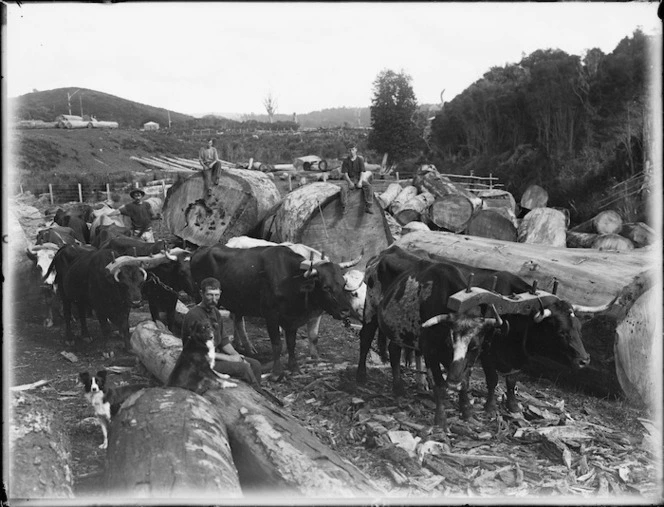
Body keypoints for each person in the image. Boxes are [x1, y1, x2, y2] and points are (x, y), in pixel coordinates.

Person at [181, 277, 263, 387]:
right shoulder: (194, 316)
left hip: (214, 357)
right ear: (202, 293)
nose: (213, 299)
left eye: (216, 295)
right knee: (244, 368)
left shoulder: (215, 312)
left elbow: (224, 341)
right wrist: (229, 358)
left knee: (255, 365)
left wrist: (236, 356)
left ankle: (254, 392)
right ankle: (255, 395)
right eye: (209, 295)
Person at [340, 143, 374, 214]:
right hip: (350, 179)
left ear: (356, 150)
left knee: (369, 187)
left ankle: (369, 206)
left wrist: (360, 182)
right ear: (348, 151)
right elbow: (345, 174)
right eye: (349, 150)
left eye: (353, 149)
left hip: (359, 179)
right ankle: (344, 206)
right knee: (343, 188)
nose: (351, 151)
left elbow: (362, 172)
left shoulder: (360, 159)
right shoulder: (346, 161)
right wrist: (349, 182)